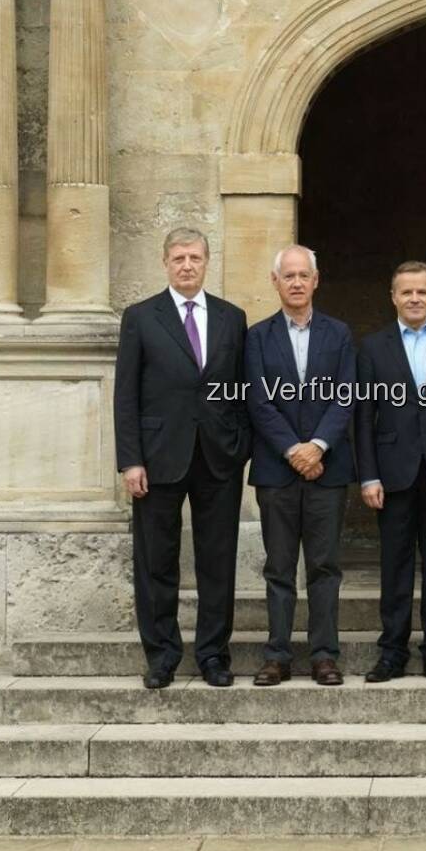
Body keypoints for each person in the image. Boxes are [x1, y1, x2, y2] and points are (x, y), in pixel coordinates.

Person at [113, 227, 252, 690]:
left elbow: (241, 390)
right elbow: (125, 394)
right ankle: (162, 656)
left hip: (218, 458)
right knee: (157, 560)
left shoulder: (233, 318)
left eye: (194, 257)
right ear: (165, 263)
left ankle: (214, 655)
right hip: (157, 458)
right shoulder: (140, 317)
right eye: (178, 258)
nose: (187, 265)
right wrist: (131, 460)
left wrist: (241, 448)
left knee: (217, 560)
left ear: (207, 261)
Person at [244, 244, 356, 687]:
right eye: (287, 276)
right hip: (277, 470)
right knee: (279, 567)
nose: (295, 282)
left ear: (315, 280)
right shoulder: (257, 337)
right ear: (275, 282)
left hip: (327, 470)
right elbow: (258, 400)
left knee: (325, 567)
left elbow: (346, 395)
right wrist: (294, 450)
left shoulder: (340, 333)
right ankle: (277, 655)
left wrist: (319, 447)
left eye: (302, 275)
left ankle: (325, 655)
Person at [355, 261, 426, 683]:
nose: (415, 299)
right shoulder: (372, 347)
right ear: (394, 297)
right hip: (392, 474)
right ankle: (392, 652)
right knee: (395, 565)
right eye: (407, 292)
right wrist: (368, 475)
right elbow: (362, 416)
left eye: (422, 291)